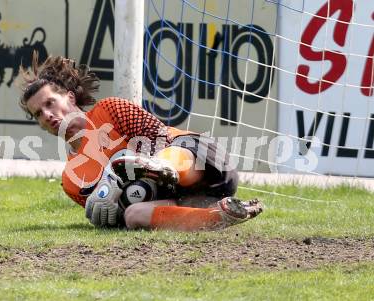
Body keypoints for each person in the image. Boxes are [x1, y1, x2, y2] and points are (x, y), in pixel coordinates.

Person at [19, 54, 263, 231]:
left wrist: (123, 175)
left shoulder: (109, 109)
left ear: (70, 97)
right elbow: (115, 216)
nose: (47, 115)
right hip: (194, 197)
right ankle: (219, 216)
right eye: (38, 113)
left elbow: (160, 137)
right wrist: (110, 211)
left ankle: (149, 168)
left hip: (202, 165)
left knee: (165, 158)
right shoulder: (71, 180)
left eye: (49, 103)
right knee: (134, 216)